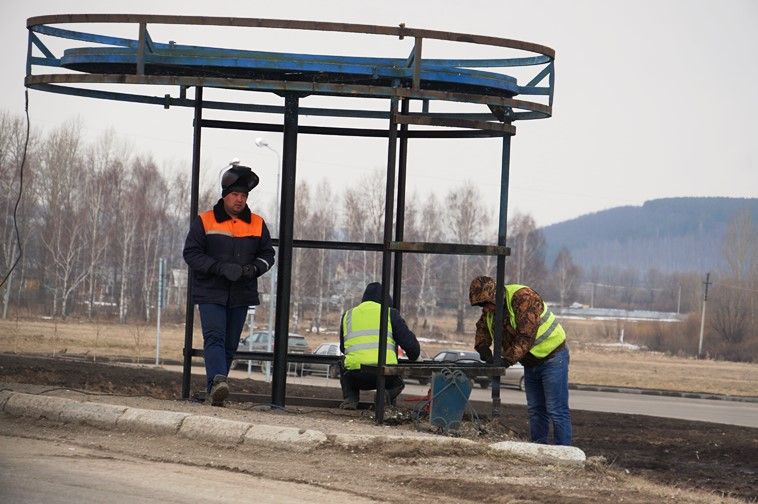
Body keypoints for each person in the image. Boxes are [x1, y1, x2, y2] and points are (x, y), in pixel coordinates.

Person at [183, 162, 275, 407]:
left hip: (241, 293)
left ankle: (215, 389)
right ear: (225, 195)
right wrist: (218, 267)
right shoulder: (205, 221)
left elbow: (268, 255)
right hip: (211, 292)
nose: (239, 199)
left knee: (231, 342)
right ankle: (218, 382)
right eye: (235, 194)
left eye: (243, 195)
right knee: (215, 338)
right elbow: (191, 253)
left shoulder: (257, 223)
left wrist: (251, 269)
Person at [468, 275, 572, 445]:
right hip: (530, 363)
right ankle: (539, 450)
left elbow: (525, 337)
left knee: (556, 410)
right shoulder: (491, 311)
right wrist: (484, 350)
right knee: (536, 410)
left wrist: (505, 360)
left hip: (553, 358)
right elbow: (482, 330)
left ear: (495, 296)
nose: (484, 309)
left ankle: (566, 456)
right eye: (481, 306)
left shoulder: (523, 297)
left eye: (486, 304)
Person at [338, 282, 421, 410]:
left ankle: (351, 398)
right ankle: (384, 396)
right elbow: (411, 347)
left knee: (342, 363)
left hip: (354, 376)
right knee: (398, 382)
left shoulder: (348, 315)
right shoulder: (390, 313)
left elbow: (343, 348)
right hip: (385, 377)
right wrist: (413, 356)